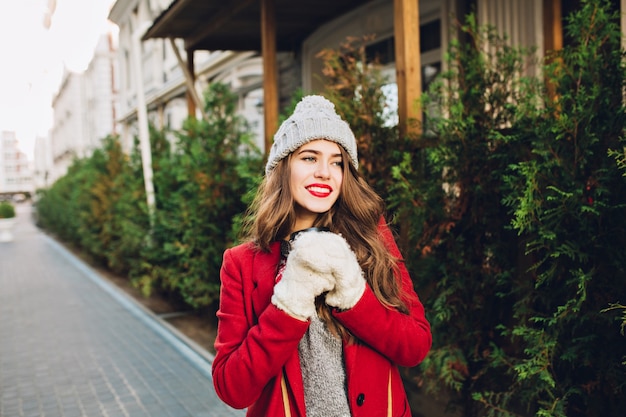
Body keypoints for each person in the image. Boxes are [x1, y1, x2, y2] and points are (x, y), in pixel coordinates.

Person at [212, 95, 432, 417]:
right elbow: (232, 388)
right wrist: (290, 301)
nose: (325, 172)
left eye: (336, 161)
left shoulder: (370, 238)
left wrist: (354, 298)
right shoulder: (242, 263)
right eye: (309, 158)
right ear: (283, 167)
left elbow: (415, 346)